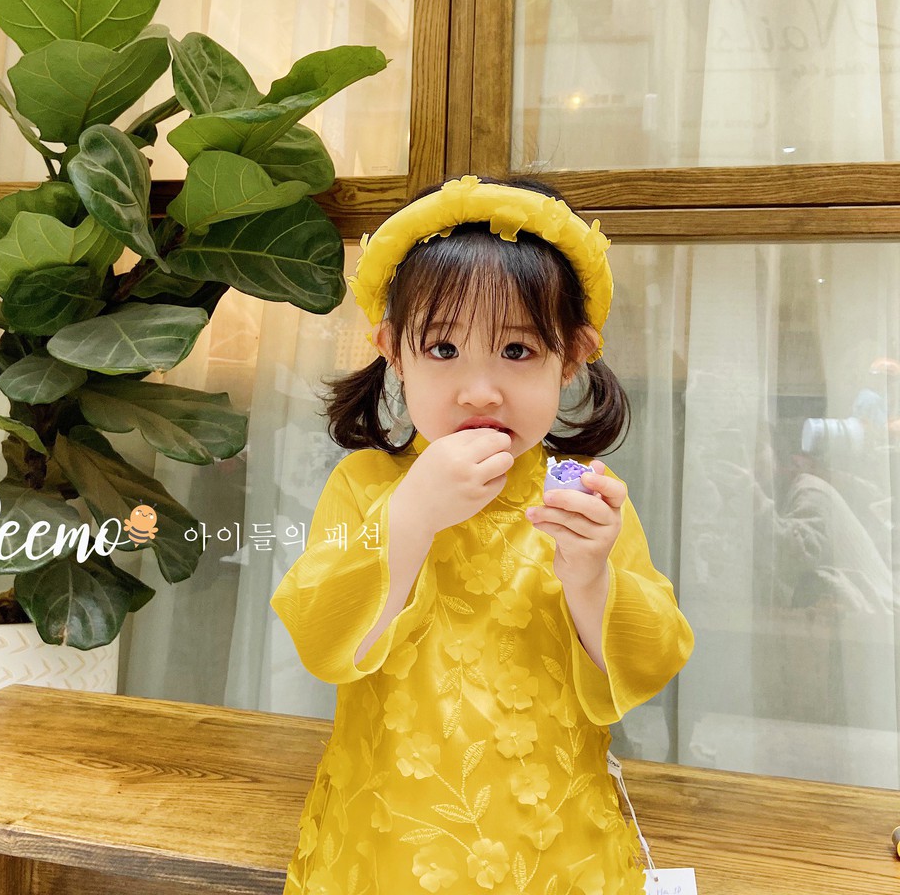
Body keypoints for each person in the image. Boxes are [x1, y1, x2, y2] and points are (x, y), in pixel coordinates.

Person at [270, 175, 694, 895]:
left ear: (573, 356)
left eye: (518, 351)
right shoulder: (366, 485)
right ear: (392, 352)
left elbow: (647, 663)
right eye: (443, 349)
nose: (479, 390)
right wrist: (410, 516)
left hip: (556, 845)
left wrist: (591, 576)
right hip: (388, 843)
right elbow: (323, 638)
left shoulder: (583, 498)